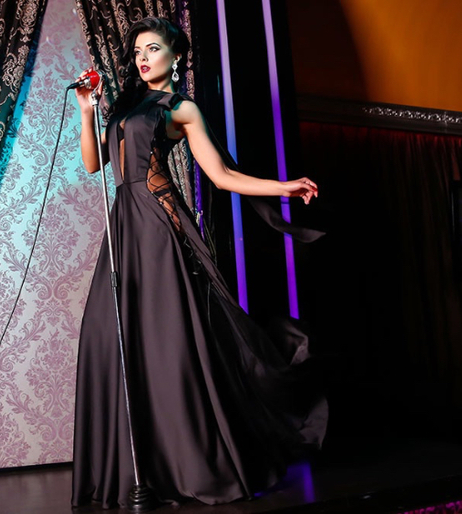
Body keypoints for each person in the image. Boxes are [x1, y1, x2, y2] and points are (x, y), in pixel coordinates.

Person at [71, 17, 328, 509]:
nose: (143, 58)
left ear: (176, 56)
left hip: (158, 226)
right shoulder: (125, 106)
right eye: (137, 52)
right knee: (113, 337)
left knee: (167, 341)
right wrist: (87, 111)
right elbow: (92, 164)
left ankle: (188, 462)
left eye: (152, 49)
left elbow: (222, 174)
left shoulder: (180, 108)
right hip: (123, 225)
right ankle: (140, 466)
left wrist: (283, 187)